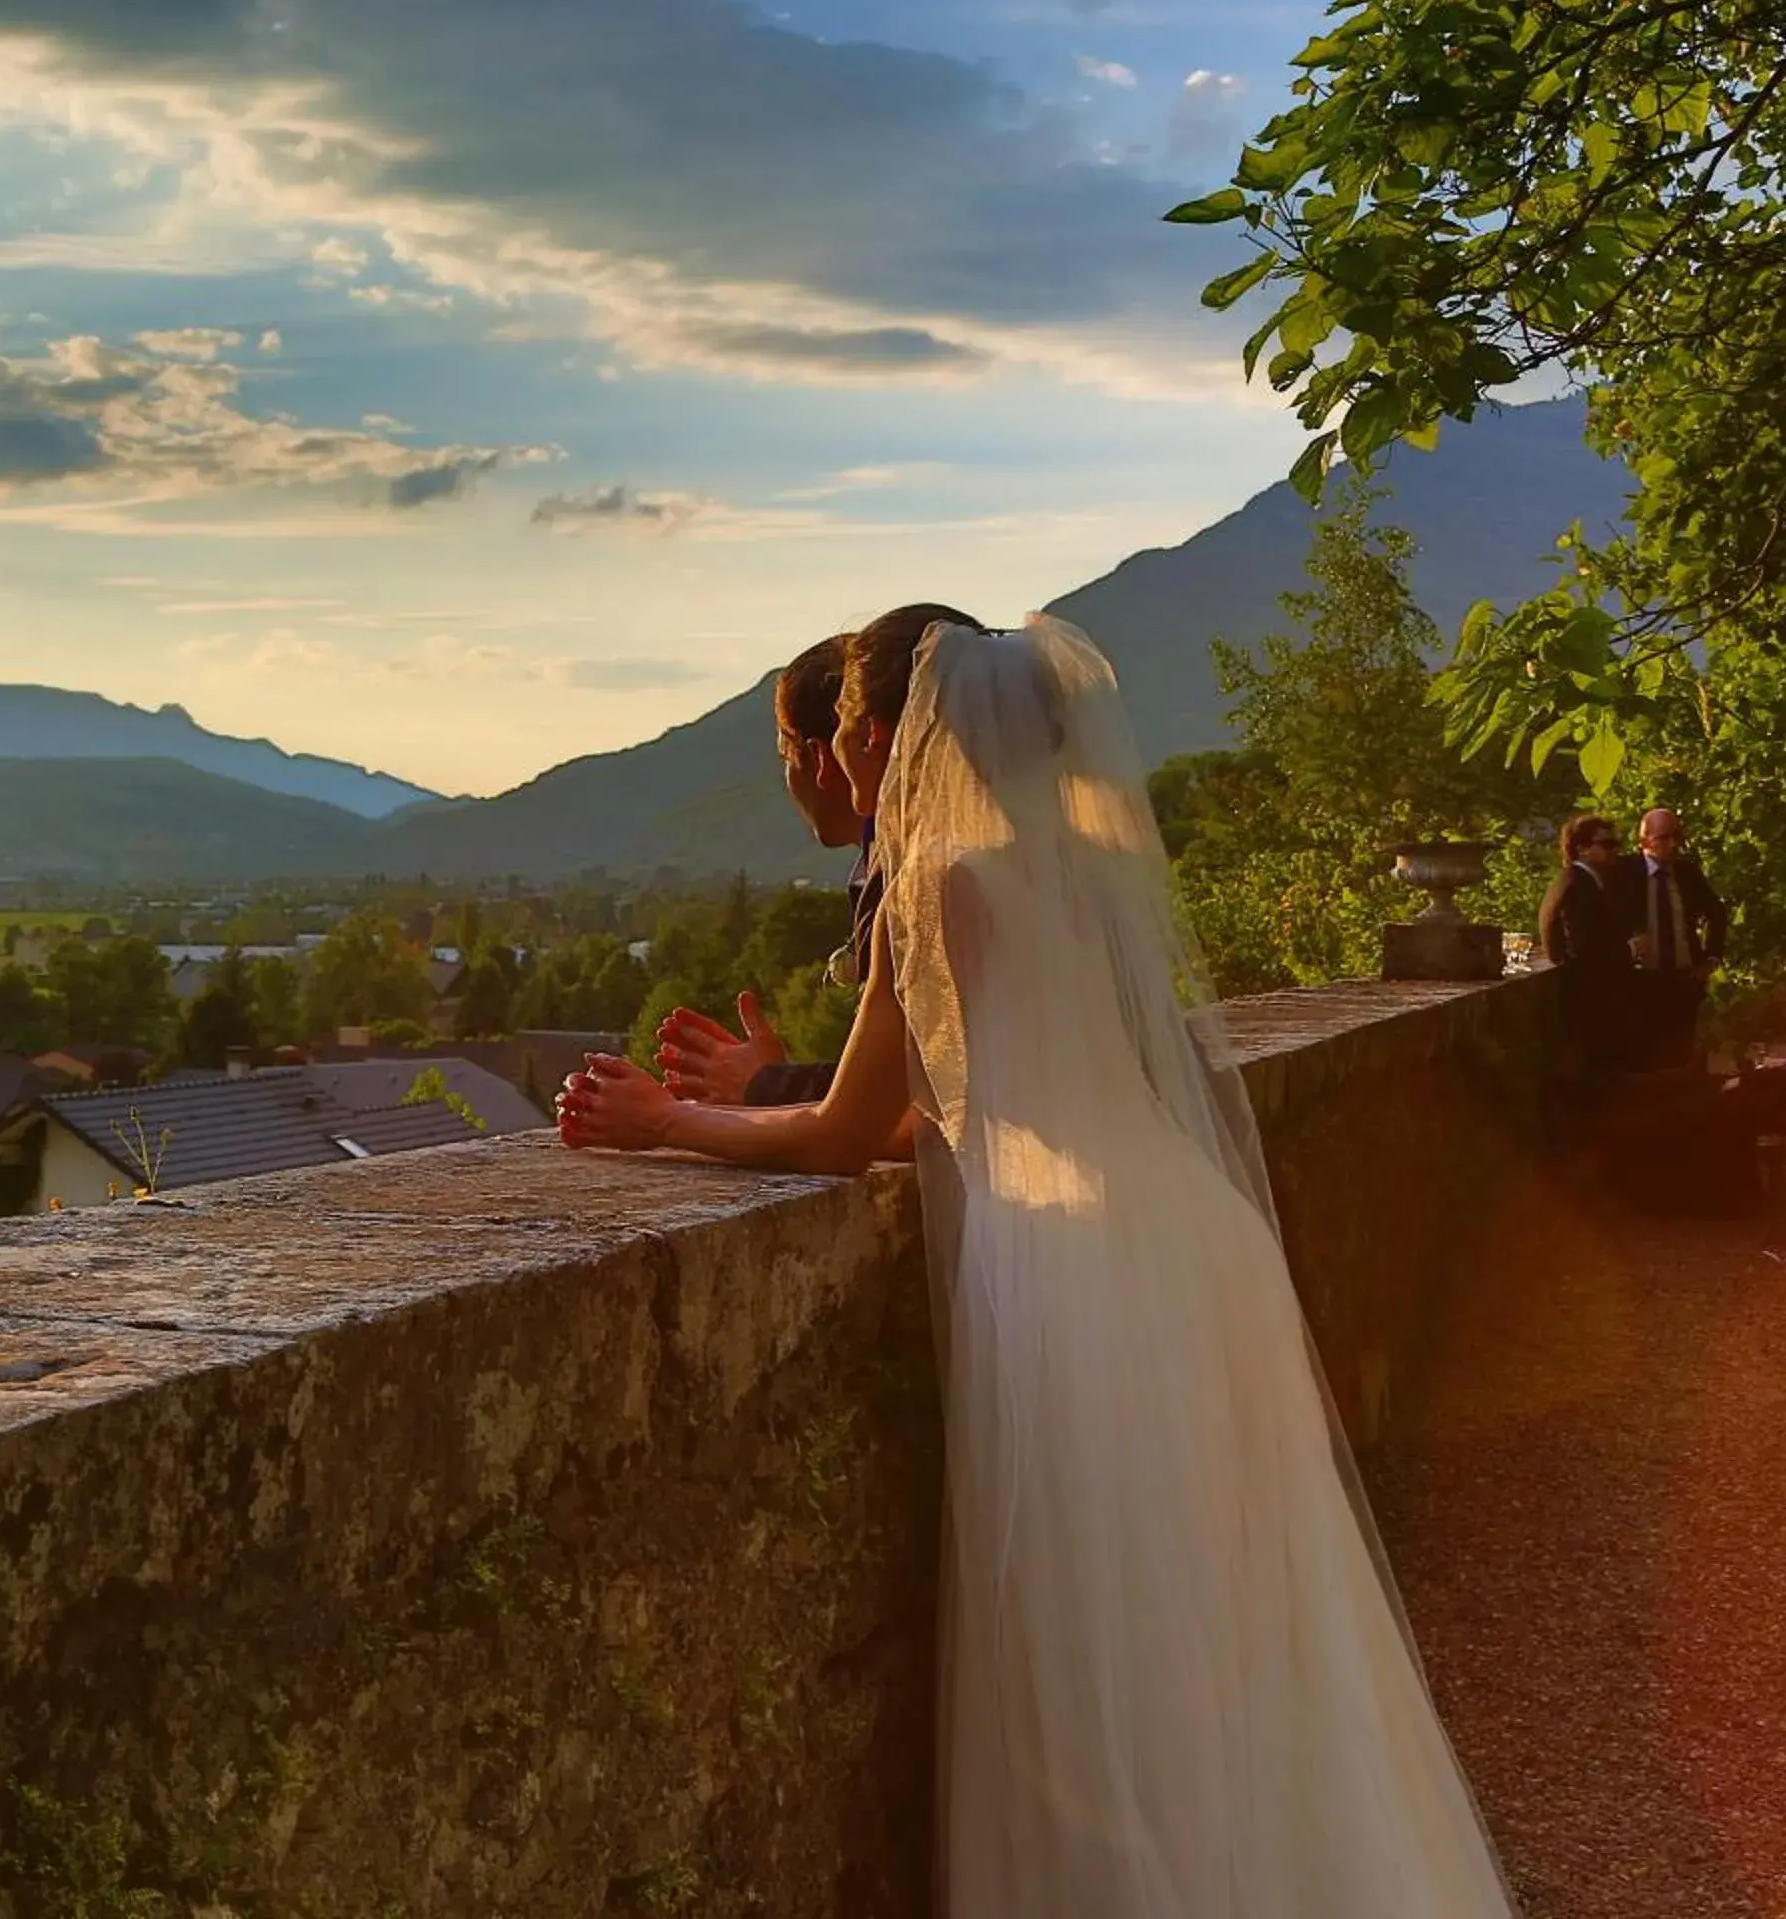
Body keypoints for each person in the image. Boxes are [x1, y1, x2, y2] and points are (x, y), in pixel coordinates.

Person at [558, 608, 1516, 1915]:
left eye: (851, 732)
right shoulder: (1081, 860)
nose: (849, 760)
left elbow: (848, 1134)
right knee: (1239, 1625)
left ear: (899, 735)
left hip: (1076, 1282)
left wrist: (667, 1121)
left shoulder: (936, 887)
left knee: (1096, 1652)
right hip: (1194, 1245)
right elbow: (958, 1106)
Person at [655, 607, 984, 1110]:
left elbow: (913, 1106)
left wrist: (756, 1090)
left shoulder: (923, 880)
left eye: (789, 759)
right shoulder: (1017, 858)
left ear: (827, 754)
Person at [1536, 813, 1641, 1075]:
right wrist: (1630, 949)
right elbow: (1580, 950)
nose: (1615, 851)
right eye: (1607, 844)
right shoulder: (1577, 885)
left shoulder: (1577, 881)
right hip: (1587, 1000)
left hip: (1589, 998)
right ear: (1581, 849)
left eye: (1616, 843)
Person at [1628, 807, 1726, 1067]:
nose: (1672, 845)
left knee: (1682, 1055)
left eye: (1677, 837)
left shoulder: (1686, 873)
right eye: (1663, 838)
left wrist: (1711, 957)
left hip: (1684, 978)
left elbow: (1716, 913)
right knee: (1646, 1060)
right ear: (1644, 840)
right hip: (1641, 983)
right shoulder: (1626, 874)